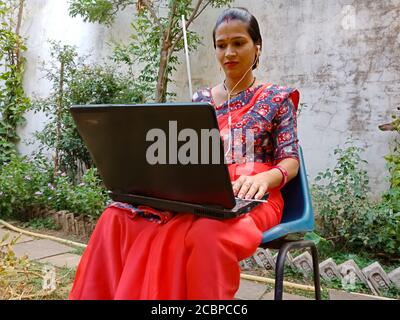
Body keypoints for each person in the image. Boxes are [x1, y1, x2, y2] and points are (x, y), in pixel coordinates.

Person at [69, 7, 300, 300]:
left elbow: (290, 159)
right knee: (116, 218)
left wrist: (267, 179)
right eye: (221, 45)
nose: (229, 52)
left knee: (206, 235)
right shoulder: (200, 100)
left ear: (257, 47)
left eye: (238, 42)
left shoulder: (277, 97)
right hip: (199, 192)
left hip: (255, 194)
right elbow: (185, 155)